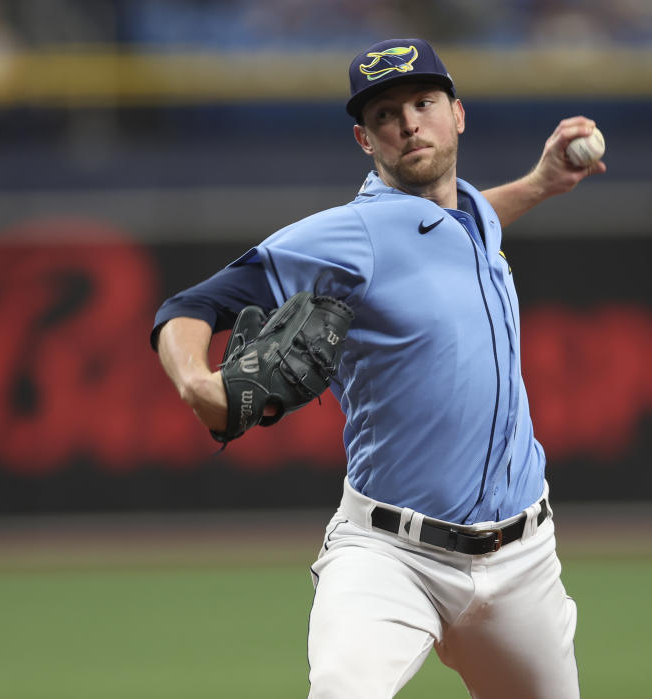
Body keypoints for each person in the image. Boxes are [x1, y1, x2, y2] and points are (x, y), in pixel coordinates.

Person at [152, 37, 604, 699]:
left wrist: (539, 185)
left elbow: (456, 230)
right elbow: (191, 305)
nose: (409, 122)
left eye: (423, 101)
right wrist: (197, 382)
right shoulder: (351, 234)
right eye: (387, 114)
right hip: (392, 556)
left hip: (522, 562)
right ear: (366, 140)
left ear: (458, 115)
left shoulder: (472, 216)